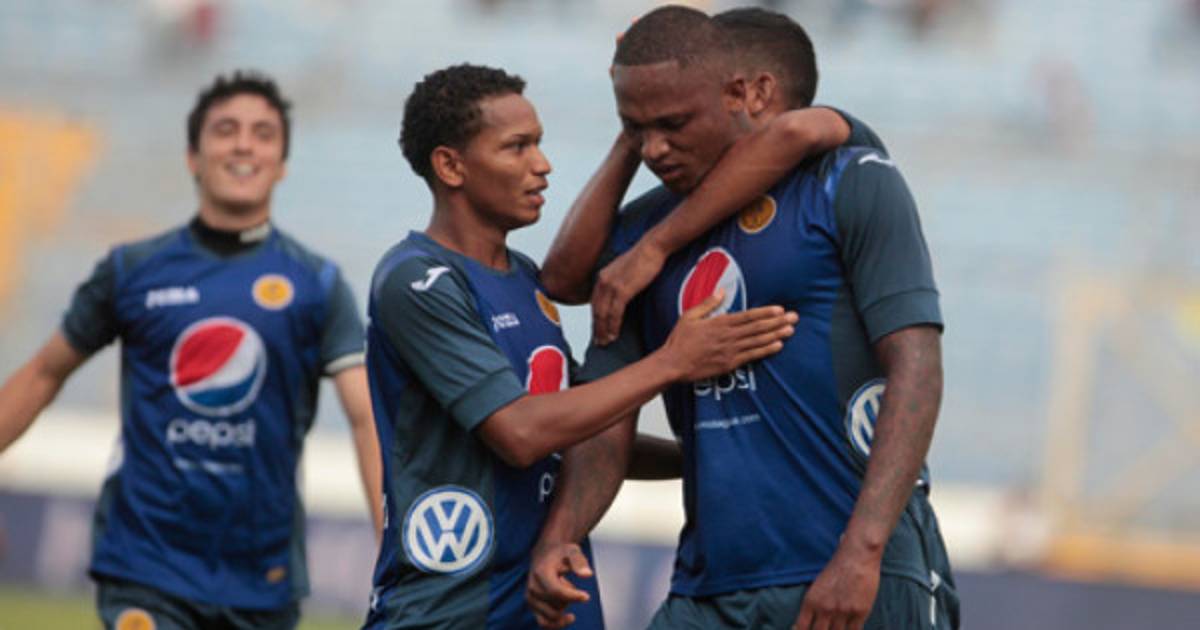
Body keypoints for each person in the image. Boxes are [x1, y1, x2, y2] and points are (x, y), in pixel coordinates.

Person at [529, 6, 959, 630]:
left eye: (674, 123)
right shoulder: (640, 241)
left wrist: (862, 553)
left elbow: (917, 366)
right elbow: (605, 418)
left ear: (743, 93)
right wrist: (560, 535)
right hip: (708, 587)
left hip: (853, 571)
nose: (654, 149)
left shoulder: (847, 178)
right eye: (636, 128)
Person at [361, 64, 797, 629]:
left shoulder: (525, 279)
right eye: (517, 147)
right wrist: (672, 362)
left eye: (539, 143)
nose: (542, 164)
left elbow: (581, 430)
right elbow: (521, 433)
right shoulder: (417, 281)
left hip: (552, 600)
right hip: (453, 611)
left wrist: (715, 454)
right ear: (451, 166)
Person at [0, 70, 383, 630]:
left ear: (282, 164)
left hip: (262, 578)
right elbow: (42, 373)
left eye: (263, 134)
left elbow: (366, 416)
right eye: (226, 130)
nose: (244, 145)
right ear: (192, 157)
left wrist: (396, 549)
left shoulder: (317, 285)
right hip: (145, 564)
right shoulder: (131, 271)